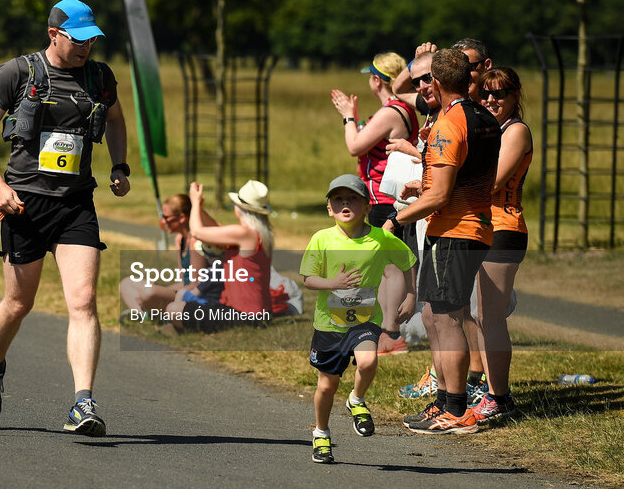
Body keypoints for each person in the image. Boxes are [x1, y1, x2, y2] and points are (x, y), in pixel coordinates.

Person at [0, 0, 130, 437]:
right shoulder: (17, 73)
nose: (86, 48)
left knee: (83, 302)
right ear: (54, 34)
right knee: (19, 304)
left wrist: (119, 165)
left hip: (76, 204)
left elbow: (115, 120)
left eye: (91, 40)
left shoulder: (100, 77)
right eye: (78, 40)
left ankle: (83, 402)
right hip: (24, 204)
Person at [383, 48, 500, 435]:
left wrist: (395, 219)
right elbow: (460, 177)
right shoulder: (483, 115)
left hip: (455, 231)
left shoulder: (451, 123)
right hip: (468, 227)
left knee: (448, 318)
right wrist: (427, 183)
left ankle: (457, 408)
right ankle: (444, 402)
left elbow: (442, 195)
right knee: (434, 314)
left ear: (435, 82)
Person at [301, 174, 416, 463]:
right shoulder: (322, 239)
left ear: (367, 207)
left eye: (352, 198)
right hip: (330, 324)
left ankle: (357, 399)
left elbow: (408, 261)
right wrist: (333, 283)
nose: (345, 204)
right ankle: (321, 433)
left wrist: (412, 296)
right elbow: (308, 279)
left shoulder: (380, 238)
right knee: (327, 386)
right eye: (338, 199)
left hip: (364, 321)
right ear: (329, 208)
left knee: (367, 361)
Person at [331, 52, 420, 356]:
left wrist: (348, 116)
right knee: (384, 266)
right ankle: (384, 331)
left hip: (385, 198)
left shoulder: (392, 111)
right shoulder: (401, 108)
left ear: (375, 80)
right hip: (386, 196)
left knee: (390, 267)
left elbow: (354, 145)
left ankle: (392, 334)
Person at [473, 67, 531, 424]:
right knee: (480, 315)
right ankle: (489, 391)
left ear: (514, 97)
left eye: (501, 93)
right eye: (487, 93)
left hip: (504, 228)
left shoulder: (516, 131)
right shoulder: (489, 129)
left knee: (491, 316)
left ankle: (500, 398)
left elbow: (493, 182)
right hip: (481, 227)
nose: (492, 99)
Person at [162, 180, 275, 333]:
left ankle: (179, 330)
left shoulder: (245, 233)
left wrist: (194, 203)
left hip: (244, 316)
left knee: (173, 309)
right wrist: (200, 210)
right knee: (179, 307)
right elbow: (218, 229)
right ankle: (178, 329)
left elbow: (197, 232)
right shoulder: (257, 235)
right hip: (253, 313)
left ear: (239, 209)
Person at [118, 193, 207, 319]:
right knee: (126, 283)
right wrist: (162, 290)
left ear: (182, 218)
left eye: (166, 217)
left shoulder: (195, 241)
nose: (163, 221)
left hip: (191, 297)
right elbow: (182, 279)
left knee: (148, 292)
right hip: (180, 291)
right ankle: (145, 316)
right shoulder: (179, 240)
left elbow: (195, 284)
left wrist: (158, 292)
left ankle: (149, 313)